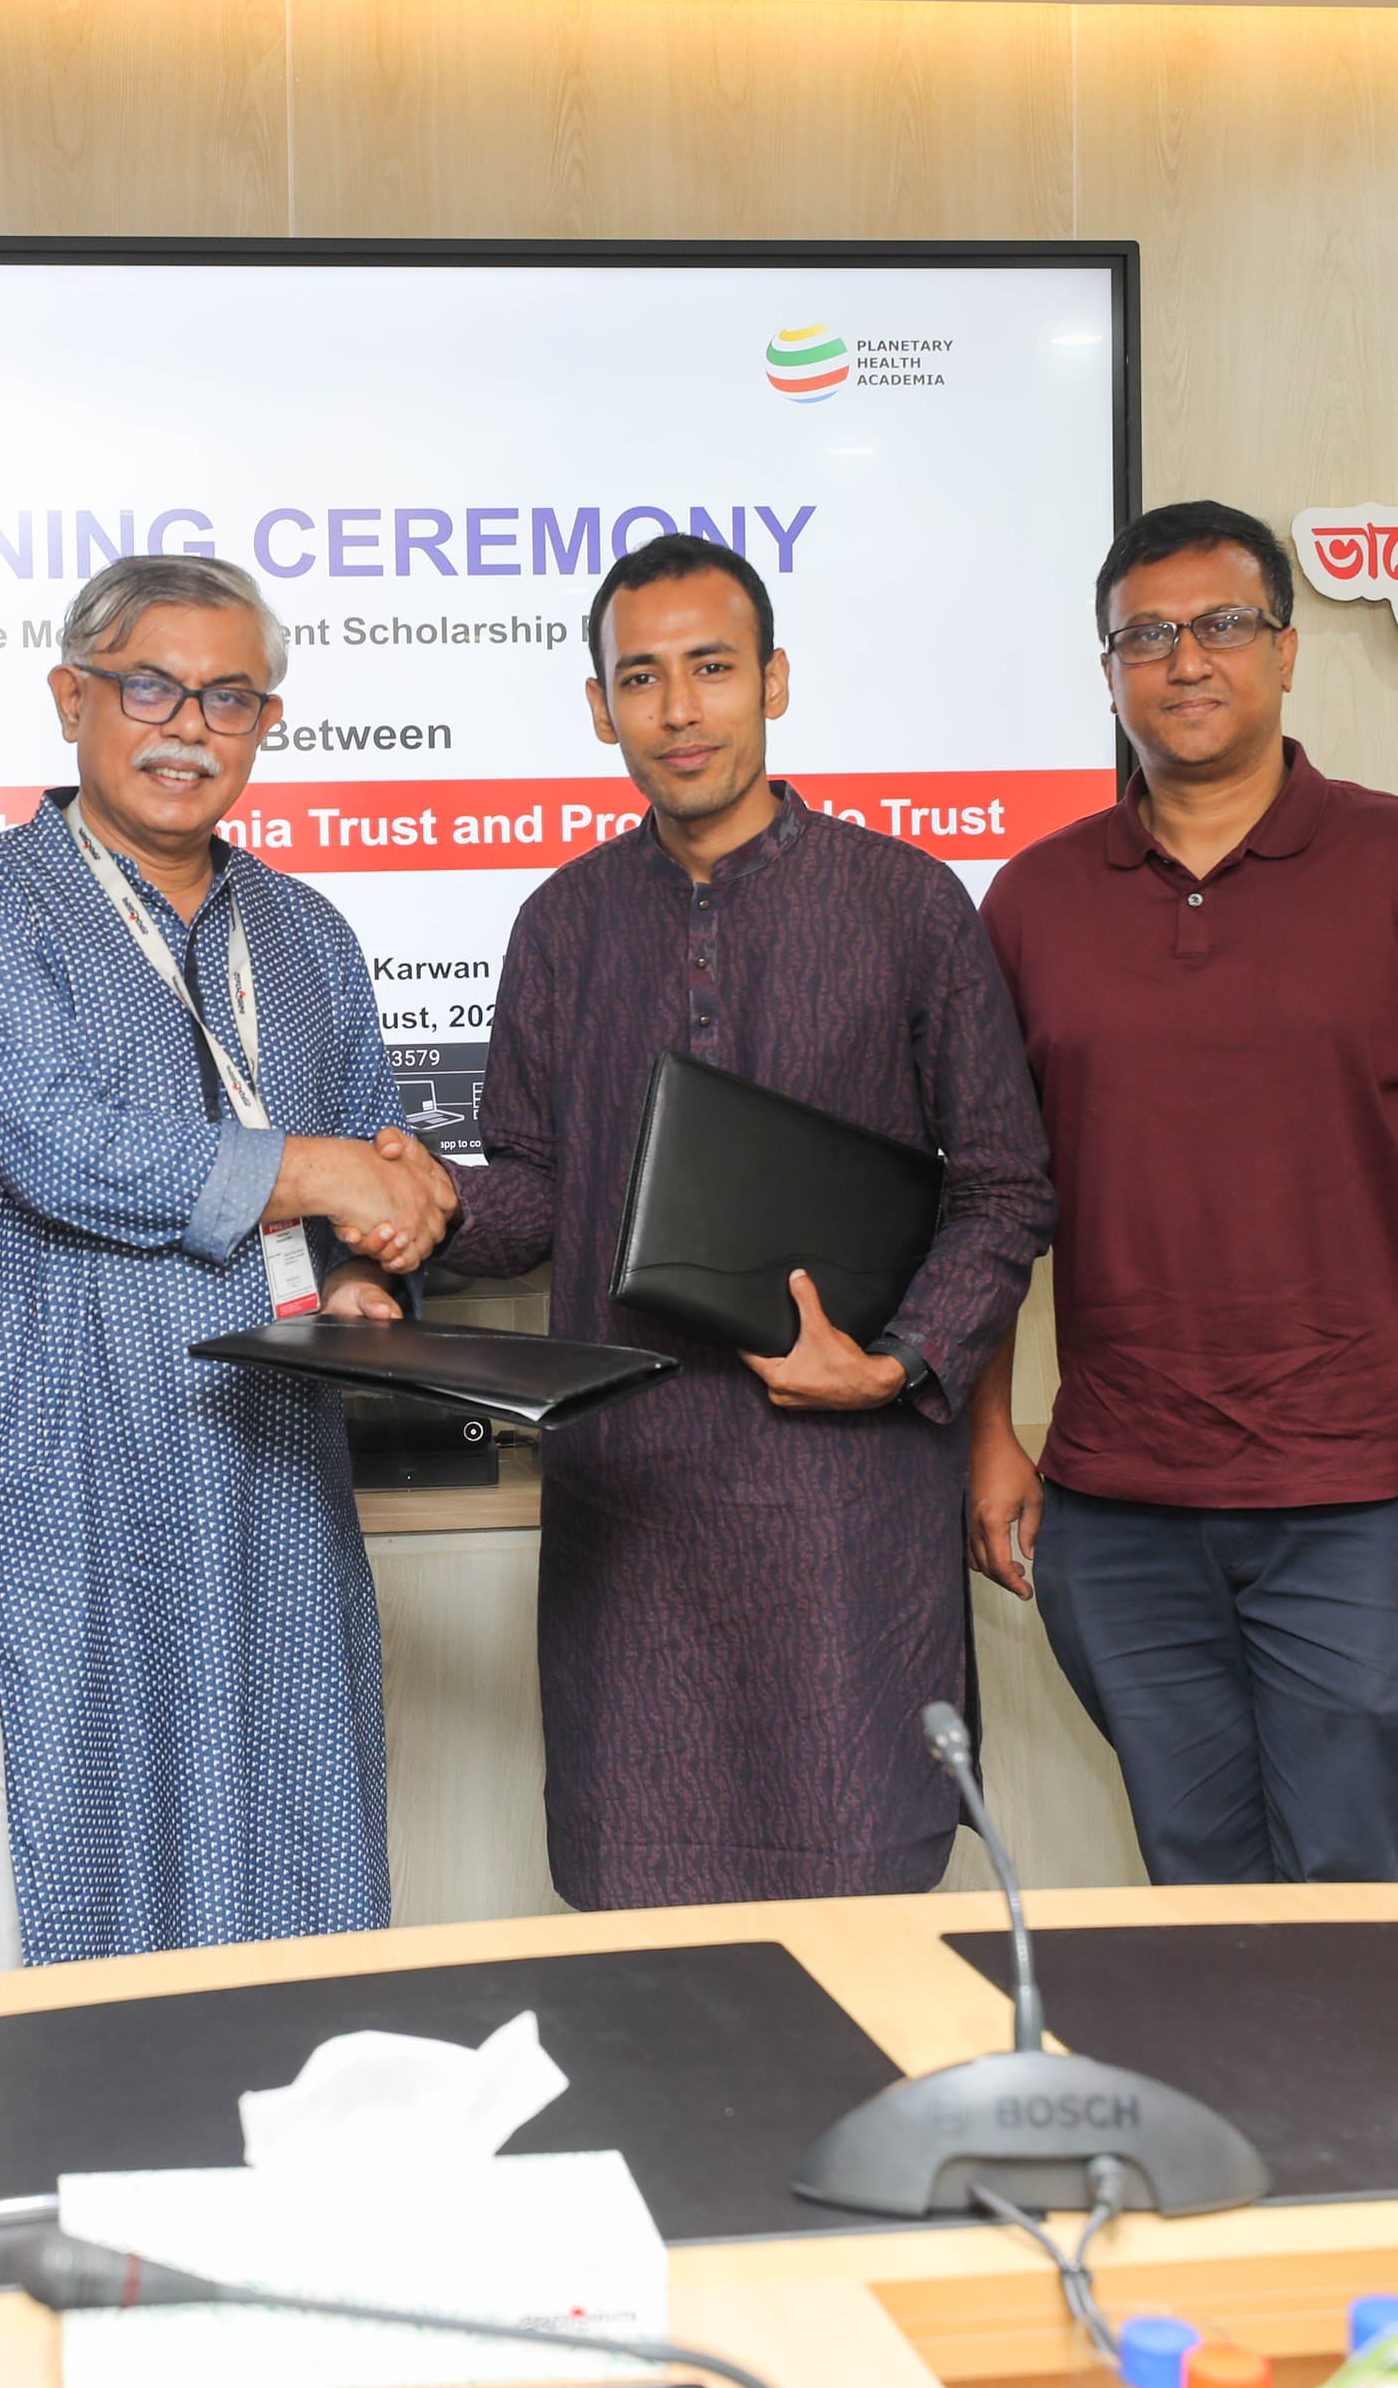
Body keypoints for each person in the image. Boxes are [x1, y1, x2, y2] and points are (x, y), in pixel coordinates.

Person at [440, 532, 1055, 1904]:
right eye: (641, 679)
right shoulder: (561, 925)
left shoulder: (907, 905)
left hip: (847, 1500)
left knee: (855, 1896)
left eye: (711, 669)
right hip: (633, 1497)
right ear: (598, 708)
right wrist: (414, 1210)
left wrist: (899, 1363)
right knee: (641, 1910)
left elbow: (1005, 1182)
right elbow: (538, 1189)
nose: (678, 711)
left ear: (773, 680)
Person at [971, 499, 1398, 1885]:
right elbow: (992, 1189)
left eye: (1225, 626)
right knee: (1190, 1888)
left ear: (1289, 652)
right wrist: (991, 1433)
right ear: (1110, 668)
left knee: (1354, 1891)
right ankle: (1221, 2116)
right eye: (1148, 636)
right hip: (1117, 1506)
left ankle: (1358, 2116)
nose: (1187, 662)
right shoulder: (1038, 899)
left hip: (1364, 1502)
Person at [0, 553, 456, 1974]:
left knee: (298, 1890)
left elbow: (354, 1186)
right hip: (69, 1497)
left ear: (267, 722)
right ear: (72, 697)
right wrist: (325, 1166)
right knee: (69, 1918)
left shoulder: (310, 936)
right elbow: (65, 1145)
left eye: (228, 698)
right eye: (149, 686)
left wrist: (369, 1262)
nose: (185, 727)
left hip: (275, 1487)